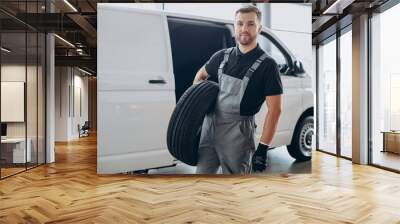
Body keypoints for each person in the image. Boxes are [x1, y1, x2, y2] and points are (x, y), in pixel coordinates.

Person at [193, 5, 282, 174]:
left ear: (259, 28)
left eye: (250, 24)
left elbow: (275, 110)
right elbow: (200, 75)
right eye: (240, 24)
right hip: (210, 128)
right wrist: (196, 107)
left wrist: (263, 148)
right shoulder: (221, 56)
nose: (244, 29)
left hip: (238, 134)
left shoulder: (267, 65)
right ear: (234, 27)